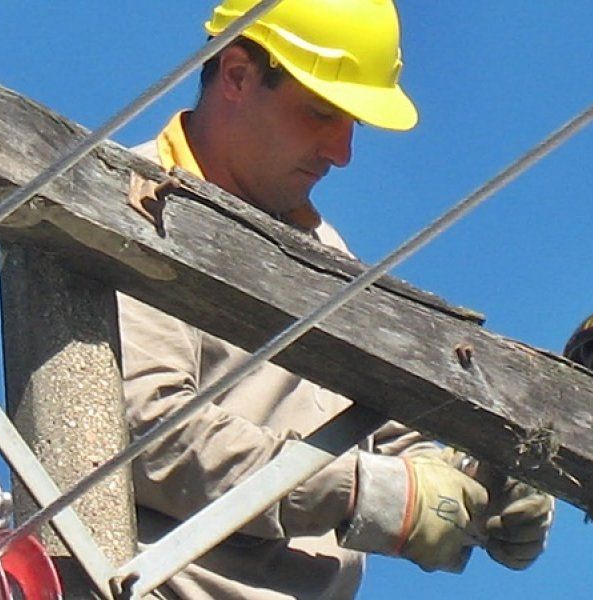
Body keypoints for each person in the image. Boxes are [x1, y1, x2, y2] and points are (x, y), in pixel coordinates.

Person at [118, 1, 554, 598]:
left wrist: (470, 482)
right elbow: (145, 436)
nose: (341, 152)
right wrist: (369, 494)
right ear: (238, 75)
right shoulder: (131, 204)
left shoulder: (324, 250)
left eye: (353, 124)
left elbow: (383, 430)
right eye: (321, 113)